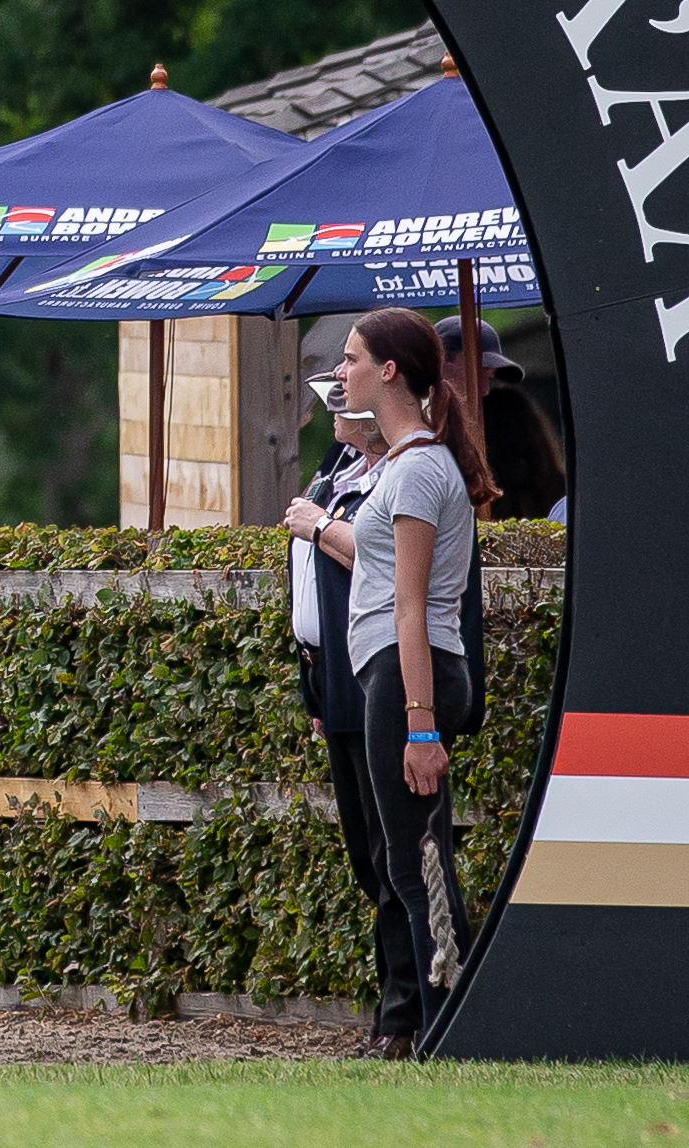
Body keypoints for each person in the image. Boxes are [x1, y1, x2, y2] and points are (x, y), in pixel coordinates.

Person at [283, 309, 492, 1051]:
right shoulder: (399, 465)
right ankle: (442, 1025)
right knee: (406, 863)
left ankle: (455, 1025)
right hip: (390, 675)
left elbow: (410, 608)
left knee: (417, 863)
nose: (341, 374)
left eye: (350, 360)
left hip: (413, 675)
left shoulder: (421, 467)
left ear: (390, 372)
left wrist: (421, 722)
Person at [284, 374, 413, 1044]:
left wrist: (320, 524)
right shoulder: (336, 472)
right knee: (369, 859)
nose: (332, 404)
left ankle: (405, 1013)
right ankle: (397, 1007)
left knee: (394, 855)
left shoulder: (401, 473)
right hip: (334, 672)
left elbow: (387, 559)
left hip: (373, 672)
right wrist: (312, 685)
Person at [441, 316, 566, 521]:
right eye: (478, 374)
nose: (485, 389)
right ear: (442, 363)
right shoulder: (420, 449)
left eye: (489, 377)